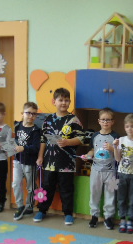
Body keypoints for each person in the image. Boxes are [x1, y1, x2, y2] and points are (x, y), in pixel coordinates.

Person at [34, 87, 84, 225]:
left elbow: (81, 138)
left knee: (66, 189)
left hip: (67, 163)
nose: (63, 103)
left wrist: (68, 142)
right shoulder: (48, 119)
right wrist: (40, 156)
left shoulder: (74, 120)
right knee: (46, 186)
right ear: (54, 102)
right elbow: (43, 140)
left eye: (66, 100)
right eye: (60, 100)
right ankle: (42, 210)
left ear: (70, 102)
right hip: (49, 162)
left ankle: (68, 213)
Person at [86, 108, 119, 229]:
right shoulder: (95, 135)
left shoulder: (116, 136)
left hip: (111, 172)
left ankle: (108, 217)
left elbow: (119, 155)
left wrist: (112, 148)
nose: (105, 122)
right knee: (94, 193)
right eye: (103, 120)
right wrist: (88, 155)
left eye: (108, 120)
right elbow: (92, 150)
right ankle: (94, 216)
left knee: (111, 194)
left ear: (112, 122)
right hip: (96, 170)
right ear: (99, 121)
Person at [113, 113, 133, 234]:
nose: (129, 129)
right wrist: (115, 147)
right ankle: (122, 219)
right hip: (122, 173)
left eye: (132, 126)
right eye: (127, 126)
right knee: (121, 198)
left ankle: (130, 220)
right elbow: (117, 159)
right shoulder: (121, 140)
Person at [12, 102, 41, 220]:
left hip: (30, 162)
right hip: (17, 160)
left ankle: (29, 206)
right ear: (22, 113)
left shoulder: (36, 130)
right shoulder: (17, 126)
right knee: (16, 183)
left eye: (34, 114)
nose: (31, 116)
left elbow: (36, 148)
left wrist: (24, 148)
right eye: (28, 113)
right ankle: (20, 206)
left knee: (31, 186)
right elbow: (13, 140)